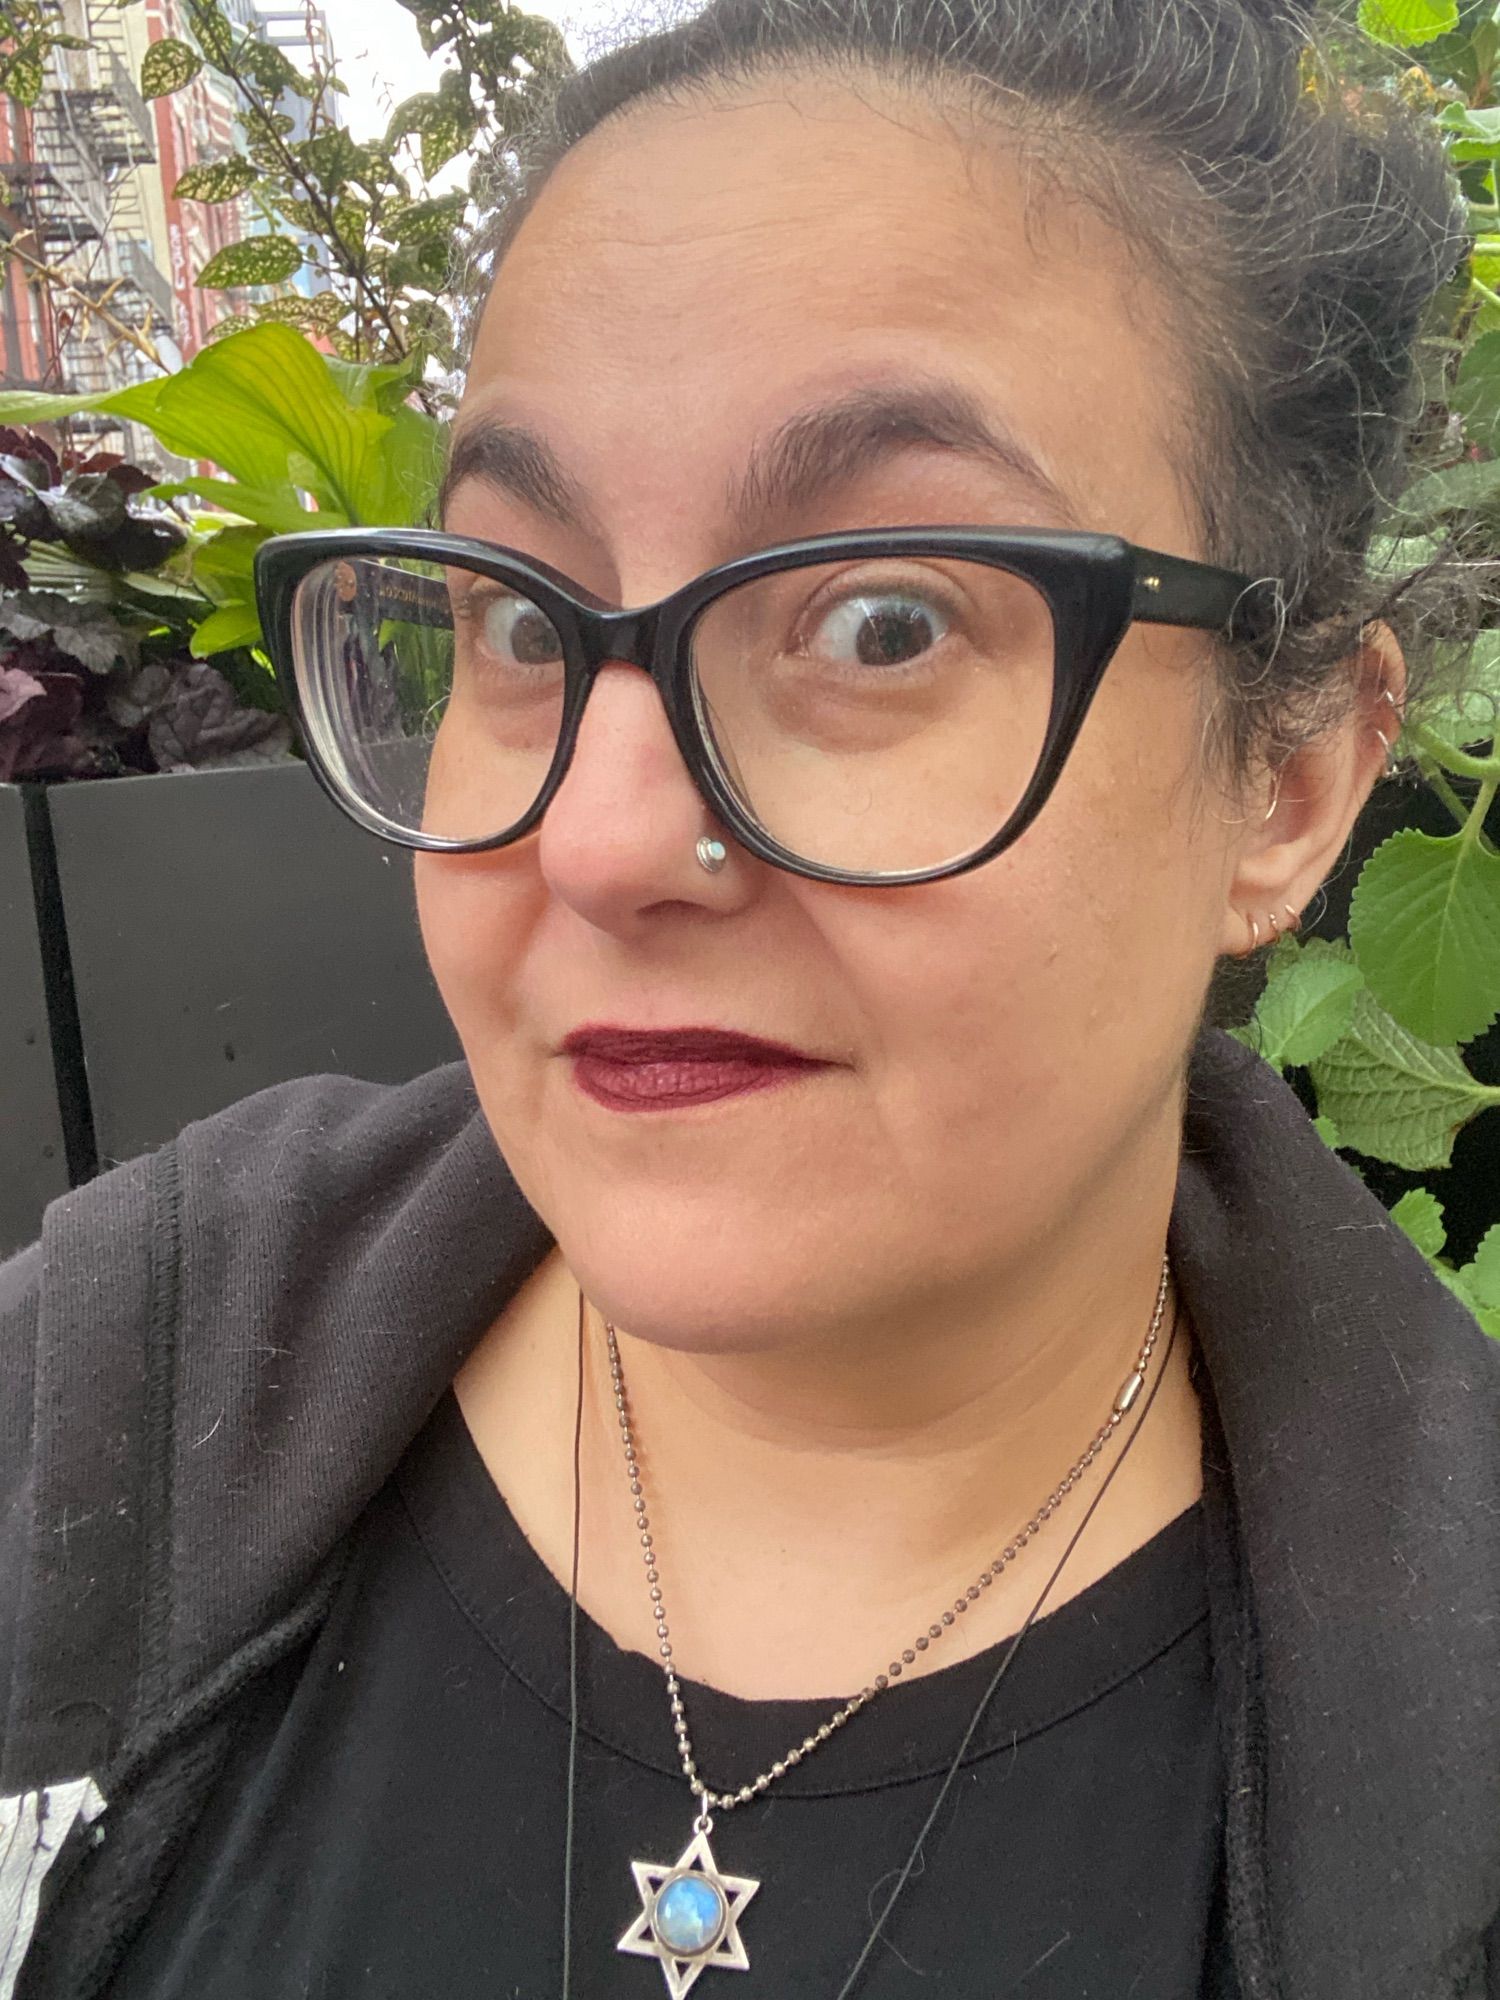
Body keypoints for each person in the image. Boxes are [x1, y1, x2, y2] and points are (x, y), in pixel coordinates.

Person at [5, 0, 1500, 1994]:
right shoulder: (112, 1393)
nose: (604, 840)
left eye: (882, 622)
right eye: (516, 615)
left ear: (1293, 776)